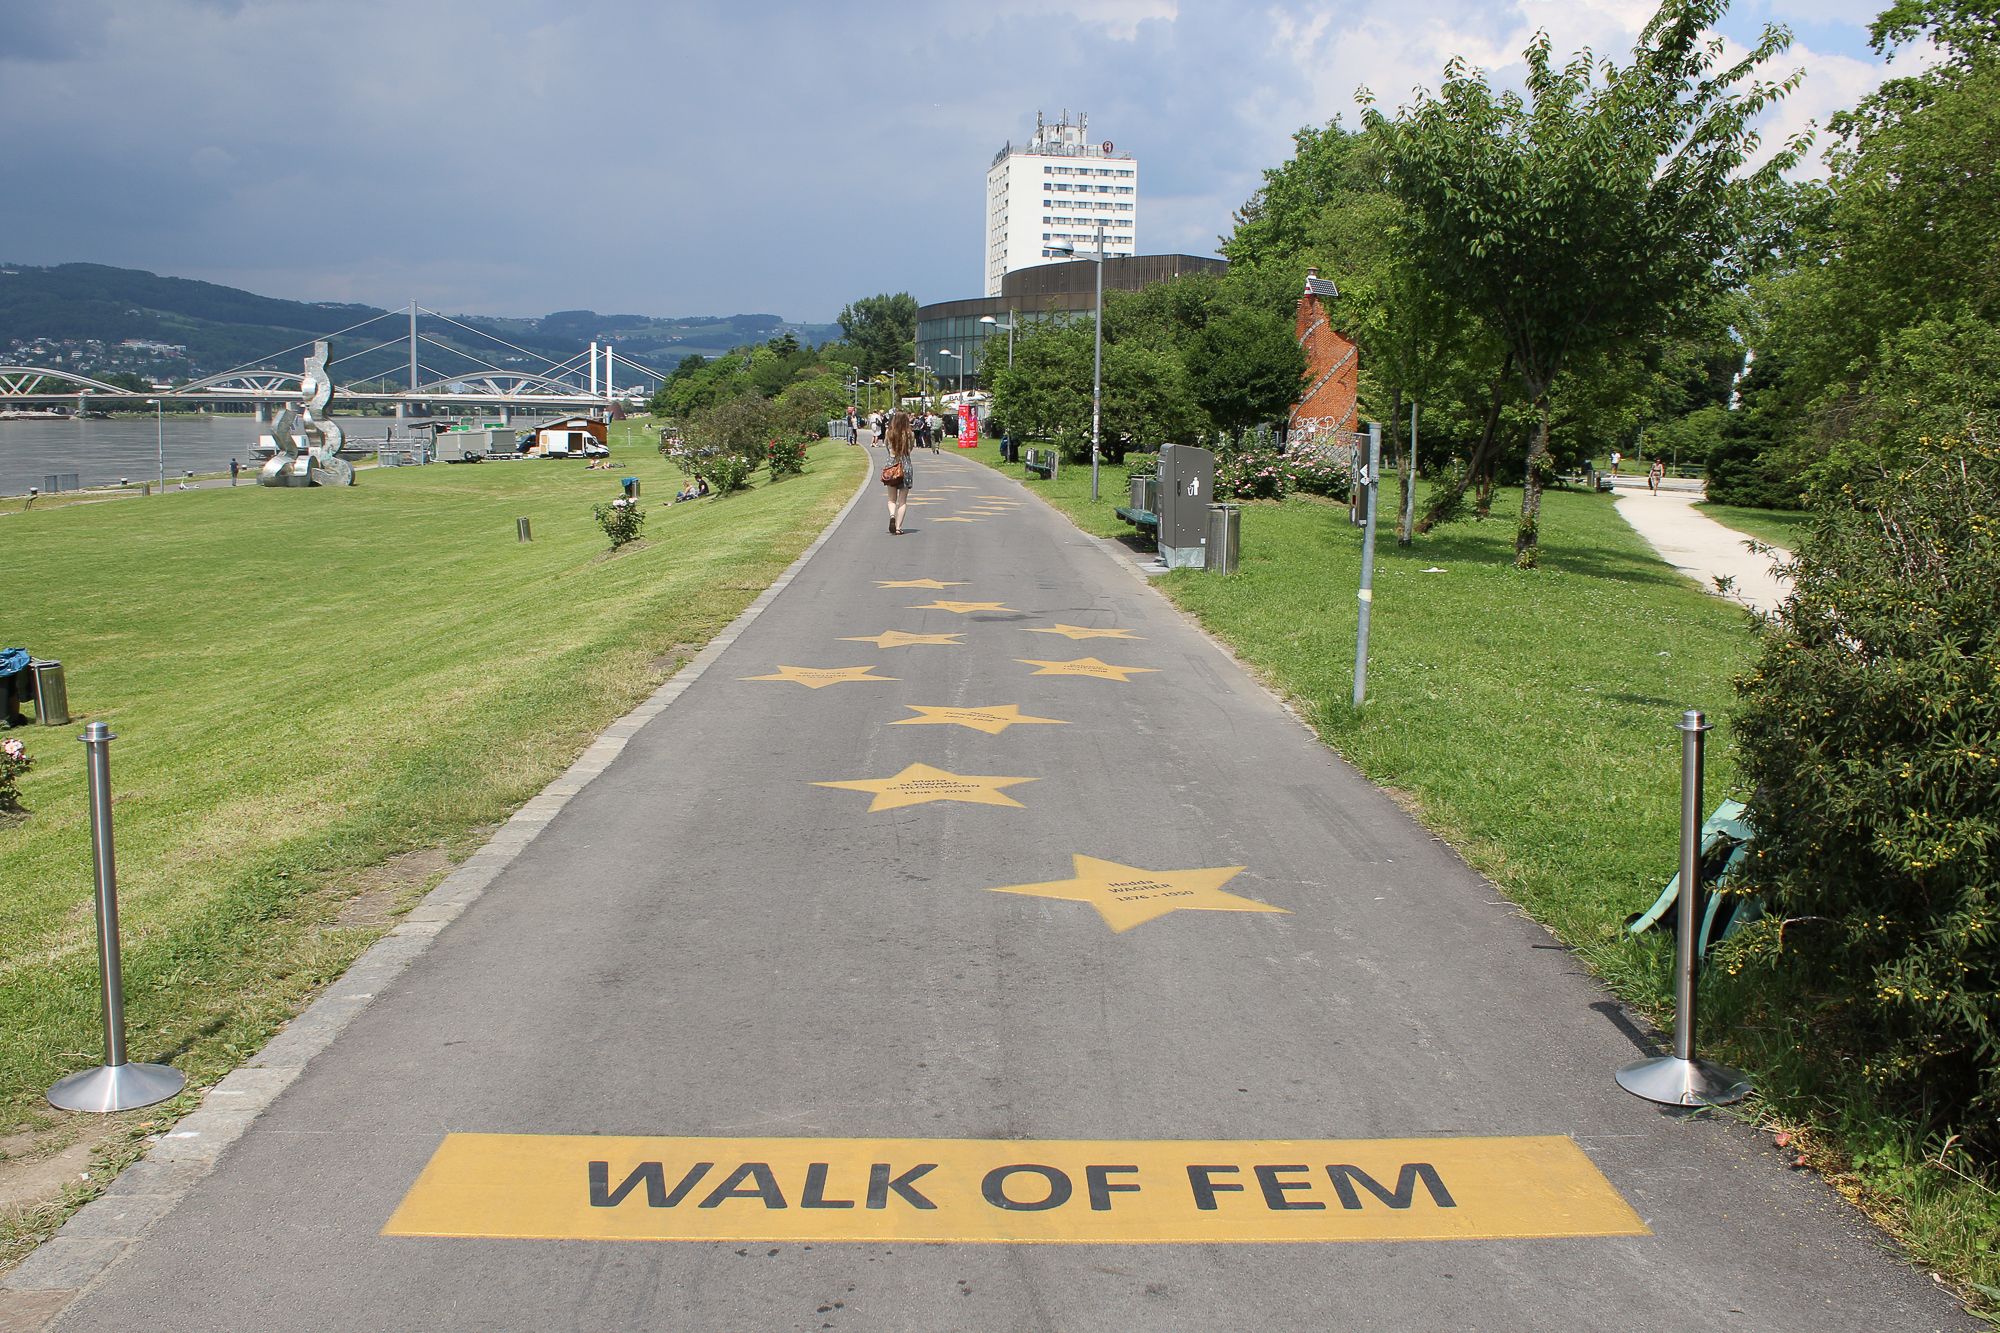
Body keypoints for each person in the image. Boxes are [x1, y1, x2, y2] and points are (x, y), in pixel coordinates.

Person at [882, 409, 915, 535]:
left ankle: (892, 515)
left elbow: (886, 447)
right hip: (905, 466)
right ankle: (898, 527)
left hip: (891, 466)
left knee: (891, 499)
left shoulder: (889, 433)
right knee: (902, 500)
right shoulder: (910, 434)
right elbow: (911, 448)